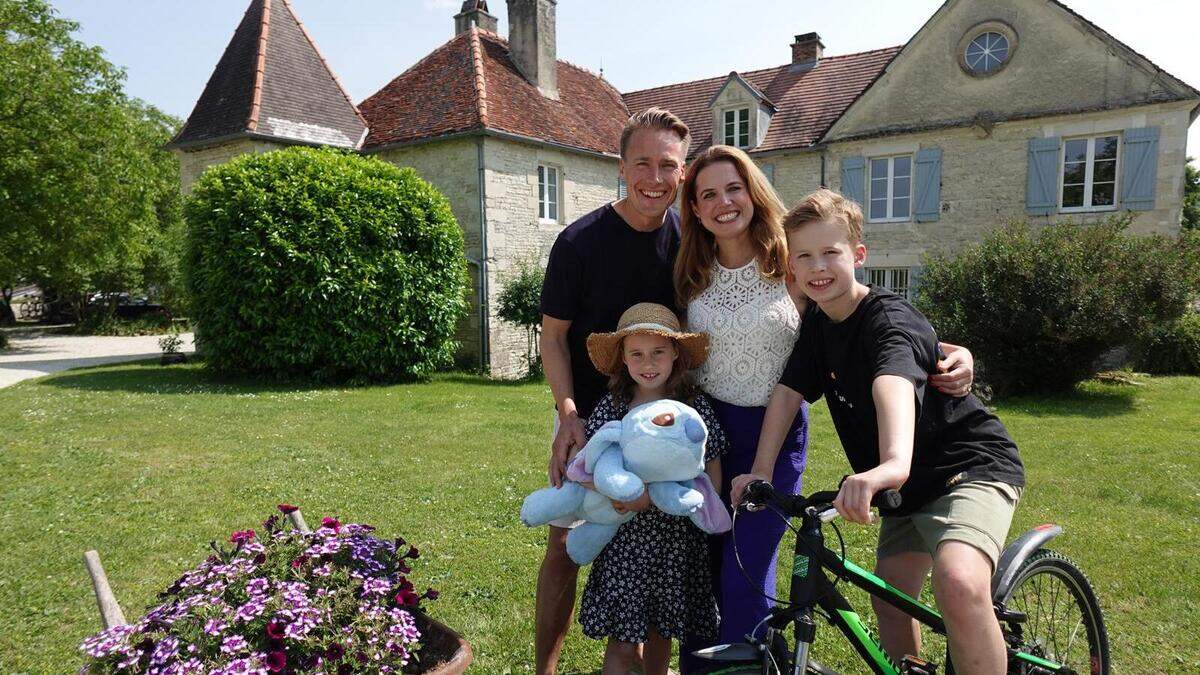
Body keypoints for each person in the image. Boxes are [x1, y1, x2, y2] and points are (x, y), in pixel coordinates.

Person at [675, 146, 977, 648]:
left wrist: (954, 351)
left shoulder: (787, 263)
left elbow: (868, 323)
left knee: (746, 568)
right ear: (696, 209)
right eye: (708, 194)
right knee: (703, 563)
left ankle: (747, 665)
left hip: (772, 429)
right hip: (707, 433)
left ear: (753, 193)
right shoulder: (691, 270)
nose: (723, 202)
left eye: (734, 188)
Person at [739, 188, 1025, 674]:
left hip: (967, 469)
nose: (817, 266)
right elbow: (788, 392)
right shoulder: (819, 322)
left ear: (859, 255)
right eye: (804, 256)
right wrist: (759, 471)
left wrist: (889, 467)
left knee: (958, 584)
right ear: (792, 267)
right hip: (905, 488)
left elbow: (891, 383)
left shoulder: (888, 321)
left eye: (831, 252)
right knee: (891, 599)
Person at [536, 107, 690, 674]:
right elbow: (553, 338)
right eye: (643, 163)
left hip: (661, 421)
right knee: (563, 547)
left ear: (682, 170)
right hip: (585, 416)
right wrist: (568, 415)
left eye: (667, 165)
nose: (655, 177)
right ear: (622, 166)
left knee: (655, 550)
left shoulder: (689, 244)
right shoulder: (578, 241)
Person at [576, 302, 727, 675]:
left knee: (662, 632)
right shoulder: (613, 407)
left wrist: (696, 505)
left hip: (676, 541)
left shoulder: (693, 406)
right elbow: (592, 462)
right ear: (623, 360)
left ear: (675, 353)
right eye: (637, 354)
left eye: (658, 352)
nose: (648, 363)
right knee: (624, 642)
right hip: (626, 543)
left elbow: (712, 465)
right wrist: (619, 494)